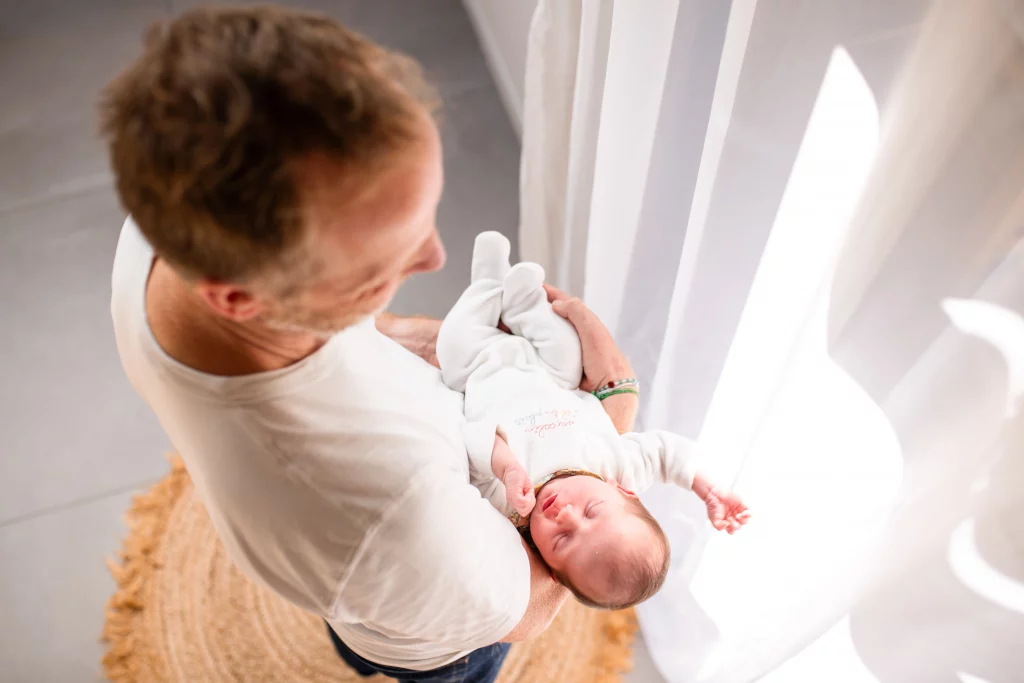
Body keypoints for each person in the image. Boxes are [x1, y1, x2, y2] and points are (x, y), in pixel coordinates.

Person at [101, 6, 640, 682]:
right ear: (239, 297)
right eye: (381, 262)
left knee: (354, 639)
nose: (438, 257)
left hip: (364, 592)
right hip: (436, 640)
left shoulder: (160, 226)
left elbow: (341, 338)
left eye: (424, 213)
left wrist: (406, 334)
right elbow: (522, 608)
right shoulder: (394, 507)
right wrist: (605, 432)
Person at [437, 233, 752, 610]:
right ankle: (524, 304)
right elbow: (667, 453)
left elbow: (471, 440)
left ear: (550, 570)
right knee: (568, 351)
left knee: (452, 341)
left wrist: (505, 468)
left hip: (477, 371)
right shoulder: (617, 468)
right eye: (591, 511)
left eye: (562, 539)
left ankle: (486, 280)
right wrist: (708, 489)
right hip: (548, 370)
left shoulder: (510, 508)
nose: (563, 513)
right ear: (625, 492)